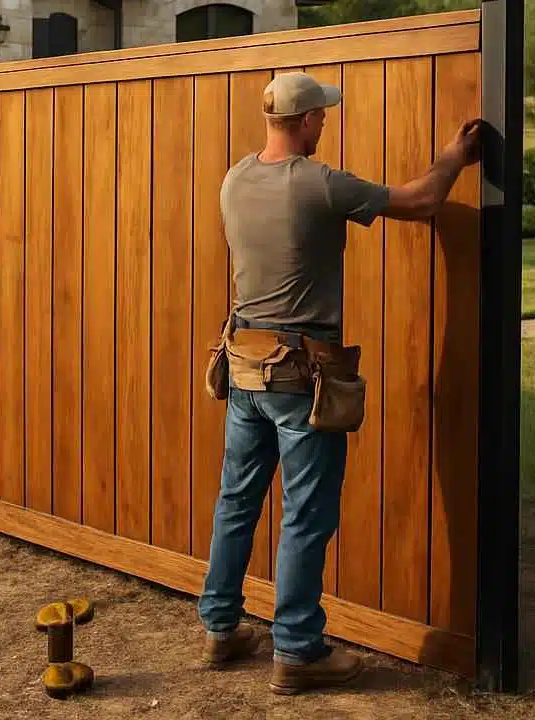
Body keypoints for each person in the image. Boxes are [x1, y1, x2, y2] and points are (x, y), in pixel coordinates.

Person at [197, 70, 483, 695]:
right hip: (301, 377)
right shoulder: (319, 184)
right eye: (321, 115)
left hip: (244, 364)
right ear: (303, 121)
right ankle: (298, 651)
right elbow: (421, 202)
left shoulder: (235, 178)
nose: (325, 121)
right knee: (306, 513)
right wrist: (453, 156)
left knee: (237, 500)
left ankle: (220, 627)